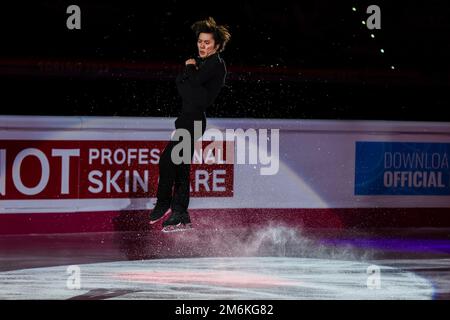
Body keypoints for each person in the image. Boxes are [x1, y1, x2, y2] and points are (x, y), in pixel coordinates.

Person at [149, 17, 231, 232]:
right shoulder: (200, 65)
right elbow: (184, 87)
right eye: (200, 42)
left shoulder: (216, 65)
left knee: (167, 161)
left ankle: (164, 202)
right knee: (181, 168)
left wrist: (189, 70)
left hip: (193, 121)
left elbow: (194, 90)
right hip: (186, 120)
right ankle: (180, 214)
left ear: (217, 45)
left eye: (207, 42)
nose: (202, 46)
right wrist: (190, 76)